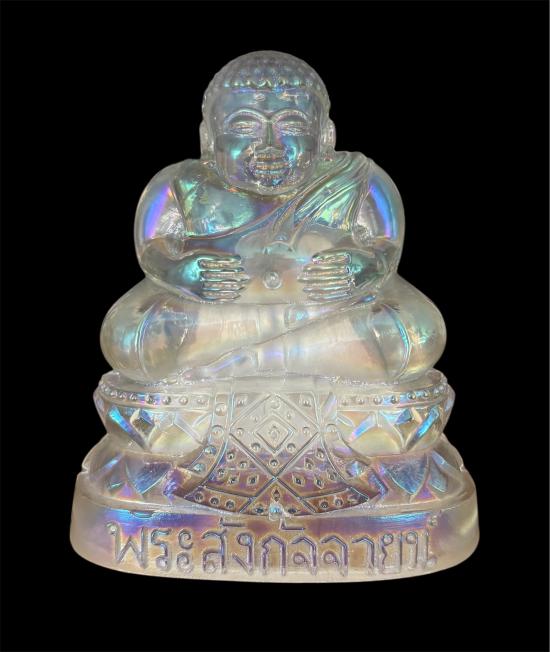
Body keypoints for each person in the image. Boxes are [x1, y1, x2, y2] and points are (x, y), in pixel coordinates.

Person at [101, 51, 445, 384]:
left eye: (291, 124)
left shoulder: (359, 179)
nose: (269, 144)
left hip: (330, 307)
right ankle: (292, 350)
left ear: (326, 136)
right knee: (128, 334)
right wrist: (182, 275)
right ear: (208, 137)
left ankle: (251, 358)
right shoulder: (180, 184)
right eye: (244, 125)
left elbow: (386, 249)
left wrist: (361, 269)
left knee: (415, 328)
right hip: (220, 314)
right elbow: (152, 251)